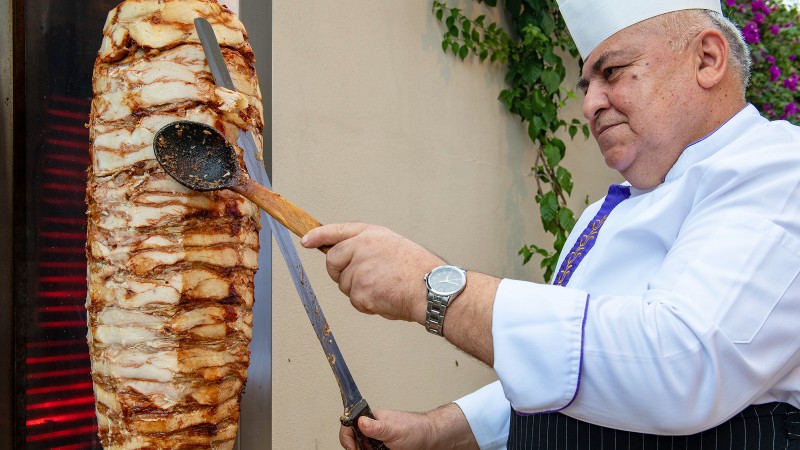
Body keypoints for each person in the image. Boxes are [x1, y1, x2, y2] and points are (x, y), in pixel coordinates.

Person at [300, 0, 800, 448]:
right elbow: (576, 372)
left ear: (707, 60)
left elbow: (679, 363)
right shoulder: (609, 210)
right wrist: (438, 430)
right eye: (587, 84)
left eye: (614, 71)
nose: (589, 104)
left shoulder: (778, 168)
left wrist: (434, 289)